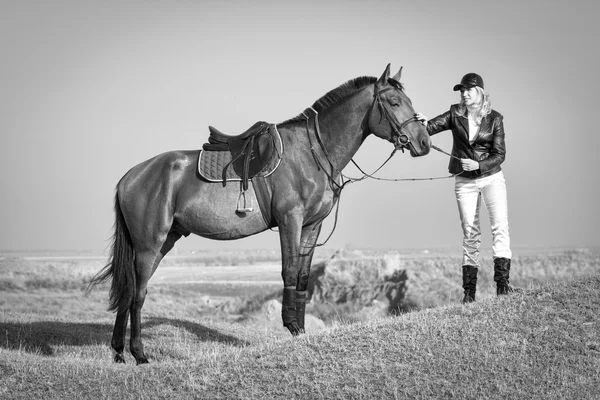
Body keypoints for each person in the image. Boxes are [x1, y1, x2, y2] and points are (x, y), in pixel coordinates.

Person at [416, 72, 514, 303]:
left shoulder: (495, 118)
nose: (464, 93)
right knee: (470, 233)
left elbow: (500, 154)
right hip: (464, 181)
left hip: (491, 177)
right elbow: (430, 128)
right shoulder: (454, 113)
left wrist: (478, 164)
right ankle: (469, 295)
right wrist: (420, 122)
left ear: (479, 91)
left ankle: (503, 287)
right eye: (462, 90)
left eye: (468, 89)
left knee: (500, 227)